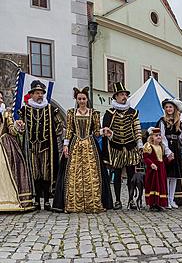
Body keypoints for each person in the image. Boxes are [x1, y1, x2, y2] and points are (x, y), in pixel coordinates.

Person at [57, 87, 110, 213]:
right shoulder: (71, 113)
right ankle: (74, 204)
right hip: (75, 144)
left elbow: (96, 132)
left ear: (87, 99)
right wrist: (65, 145)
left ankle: (92, 203)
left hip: (89, 145)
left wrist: (104, 131)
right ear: (76, 99)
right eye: (79, 99)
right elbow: (69, 130)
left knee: (92, 174)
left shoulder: (94, 113)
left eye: (84, 99)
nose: (81, 101)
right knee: (74, 173)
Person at [15, 81, 62, 210]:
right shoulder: (25, 110)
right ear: (31, 95)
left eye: (41, 93)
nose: (40, 95)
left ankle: (47, 200)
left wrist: (55, 134)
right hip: (31, 147)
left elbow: (59, 124)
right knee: (35, 173)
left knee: (46, 173)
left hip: (46, 146)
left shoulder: (51, 109)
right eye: (37, 93)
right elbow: (20, 126)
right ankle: (36, 201)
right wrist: (20, 127)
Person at [100, 82, 142, 210]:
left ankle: (131, 200)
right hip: (115, 148)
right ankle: (117, 200)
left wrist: (139, 143)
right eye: (121, 95)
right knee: (117, 175)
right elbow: (105, 129)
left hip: (130, 147)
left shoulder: (133, 112)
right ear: (116, 97)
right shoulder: (110, 112)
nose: (124, 97)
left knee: (131, 175)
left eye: (125, 94)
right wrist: (110, 134)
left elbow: (137, 128)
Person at [157, 99, 182, 209]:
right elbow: (162, 137)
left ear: (174, 109)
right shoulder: (162, 121)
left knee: (175, 176)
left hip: (176, 149)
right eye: (167, 107)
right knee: (167, 176)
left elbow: (181, 137)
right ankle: (165, 199)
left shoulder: (178, 122)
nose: (169, 109)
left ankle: (172, 198)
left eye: (170, 107)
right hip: (167, 149)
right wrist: (167, 151)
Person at [142, 128, 169, 211]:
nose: (158, 137)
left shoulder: (161, 147)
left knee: (161, 185)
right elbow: (145, 158)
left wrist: (169, 159)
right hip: (153, 171)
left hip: (161, 169)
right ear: (151, 137)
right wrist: (151, 164)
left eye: (159, 135)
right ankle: (151, 202)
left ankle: (160, 203)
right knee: (152, 185)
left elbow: (162, 159)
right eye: (156, 135)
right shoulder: (149, 146)